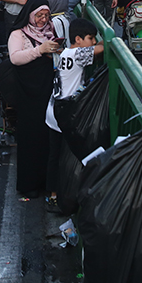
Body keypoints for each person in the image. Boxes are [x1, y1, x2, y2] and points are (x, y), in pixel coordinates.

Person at [46, 18, 103, 207]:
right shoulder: (76, 54)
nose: (93, 42)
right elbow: (100, 49)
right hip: (64, 113)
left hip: (53, 110)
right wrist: (107, 38)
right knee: (73, 153)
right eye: (90, 38)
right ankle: (66, 194)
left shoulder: (66, 53)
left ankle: (53, 194)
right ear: (78, 39)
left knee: (54, 155)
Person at [7, 0, 60, 198]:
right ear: (30, 15)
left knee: (47, 135)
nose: (43, 19)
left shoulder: (51, 30)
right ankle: (29, 184)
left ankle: (48, 180)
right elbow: (15, 58)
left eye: (46, 15)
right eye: (39, 15)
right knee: (30, 135)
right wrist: (40, 50)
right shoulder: (18, 34)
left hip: (47, 89)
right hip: (28, 92)